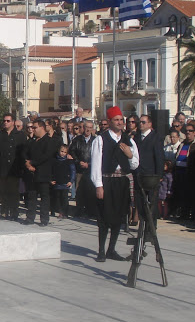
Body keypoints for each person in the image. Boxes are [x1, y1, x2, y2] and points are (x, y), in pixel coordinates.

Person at [90, 106, 139, 262]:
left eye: (121, 120)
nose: (120, 122)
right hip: (107, 180)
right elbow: (96, 163)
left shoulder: (129, 140)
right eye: (116, 120)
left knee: (119, 216)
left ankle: (112, 249)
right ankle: (101, 250)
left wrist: (129, 155)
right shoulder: (101, 139)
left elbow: (135, 164)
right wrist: (98, 185)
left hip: (122, 181)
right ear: (109, 122)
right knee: (104, 217)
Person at [133, 114, 165, 237]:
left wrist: (159, 174)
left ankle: (151, 228)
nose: (141, 124)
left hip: (151, 175)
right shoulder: (136, 138)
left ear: (150, 124)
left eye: (143, 122)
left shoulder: (156, 138)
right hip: (139, 175)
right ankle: (142, 225)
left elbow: (159, 157)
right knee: (140, 202)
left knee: (151, 201)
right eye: (140, 122)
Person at [22, 119, 59, 226]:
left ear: (42, 128)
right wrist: (27, 163)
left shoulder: (49, 141)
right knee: (32, 196)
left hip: (43, 172)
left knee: (44, 197)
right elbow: (24, 153)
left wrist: (33, 163)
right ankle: (30, 218)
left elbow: (46, 156)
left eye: (35, 127)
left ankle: (44, 219)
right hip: (32, 173)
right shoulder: (32, 141)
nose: (33, 129)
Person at [0, 114, 24, 220]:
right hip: (2, 168)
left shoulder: (20, 135)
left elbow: (22, 152)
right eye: (4, 121)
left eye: (8, 121)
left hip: (15, 168)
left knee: (14, 192)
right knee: (3, 191)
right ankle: (4, 211)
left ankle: (14, 212)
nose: (5, 122)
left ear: (13, 122)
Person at [70, 120, 97, 218]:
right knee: (79, 191)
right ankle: (79, 211)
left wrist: (89, 164)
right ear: (83, 128)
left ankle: (91, 212)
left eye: (90, 127)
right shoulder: (77, 140)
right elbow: (72, 151)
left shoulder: (96, 140)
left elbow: (98, 155)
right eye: (86, 127)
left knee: (91, 191)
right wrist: (78, 162)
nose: (88, 129)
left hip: (91, 170)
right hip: (80, 170)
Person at [51, 143, 75, 219]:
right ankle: (58, 211)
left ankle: (65, 213)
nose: (63, 153)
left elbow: (73, 171)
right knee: (57, 198)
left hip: (65, 182)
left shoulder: (69, 161)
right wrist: (51, 179)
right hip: (57, 182)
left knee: (64, 198)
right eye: (61, 151)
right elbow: (51, 170)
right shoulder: (54, 160)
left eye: (65, 152)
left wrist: (71, 181)